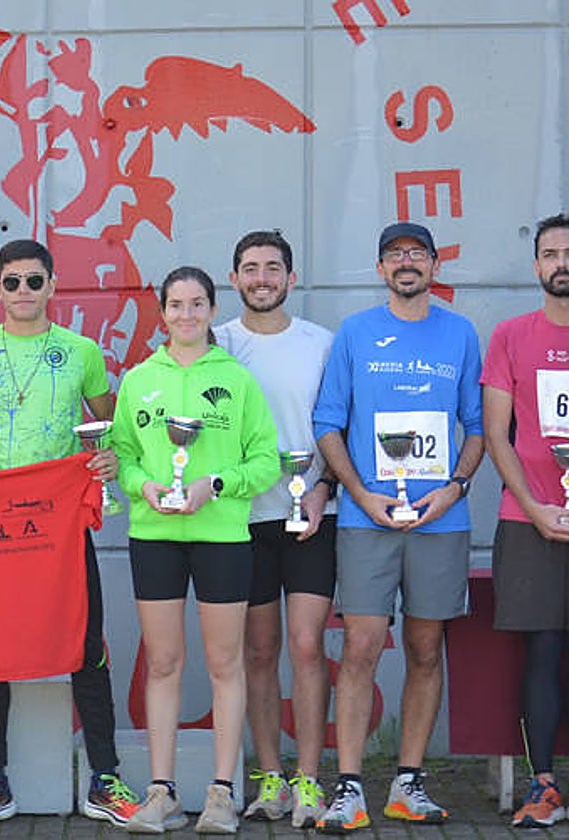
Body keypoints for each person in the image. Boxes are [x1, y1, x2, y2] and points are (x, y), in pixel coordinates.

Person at [0, 239, 139, 830]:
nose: (23, 292)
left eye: (33, 281)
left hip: (60, 522)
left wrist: (109, 460)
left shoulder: (82, 351)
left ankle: (105, 778)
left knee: (85, 643)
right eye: (12, 282)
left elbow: (108, 426)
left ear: (52, 286)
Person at [312, 222, 483, 834]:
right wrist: (358, 493)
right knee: (359, 647)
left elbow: (477, 425)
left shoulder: (460, 333)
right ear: (380, 269)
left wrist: (454, 487)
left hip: (440, 519)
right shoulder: (356, 333)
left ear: (435, 265)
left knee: (424, 648)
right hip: (367, 518)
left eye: (417, 254)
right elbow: (328, 422)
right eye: (394, 255)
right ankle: (350, 787)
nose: (406, 263)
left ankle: (408, 783)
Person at [113, 266, 279, 834]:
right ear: (162, 313)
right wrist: (146, 487)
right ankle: (162, 793)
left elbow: (264, 459)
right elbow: (124, 456)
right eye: (176, 305)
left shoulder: (236, 379)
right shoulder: (139, 379)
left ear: (213, 310)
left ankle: (222, 792)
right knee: (162, 663)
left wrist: (216, 486)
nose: (186, 315)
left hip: (222, 536)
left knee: (224, 664)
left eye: (197, 304)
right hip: (155, 535)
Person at [216, 231, 337, 829]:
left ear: (290, 277)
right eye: (250, 268)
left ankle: (311, 781)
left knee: (308, 648)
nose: (261, 277)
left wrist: (324, 489)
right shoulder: (214, 346)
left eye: (272, 268)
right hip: (240, 521)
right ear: (233, 278)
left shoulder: (321, 344)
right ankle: (270, 778)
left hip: (313, 517)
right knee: (258, 653)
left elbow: (343, 427)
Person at [481, 213, 569, 828]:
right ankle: (544, 784)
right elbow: (497, 435)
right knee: (542, 652)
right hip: (526, 520)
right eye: (550, 254)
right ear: (536, 267)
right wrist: (536, 508)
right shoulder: (510, 335)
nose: (560, 264)